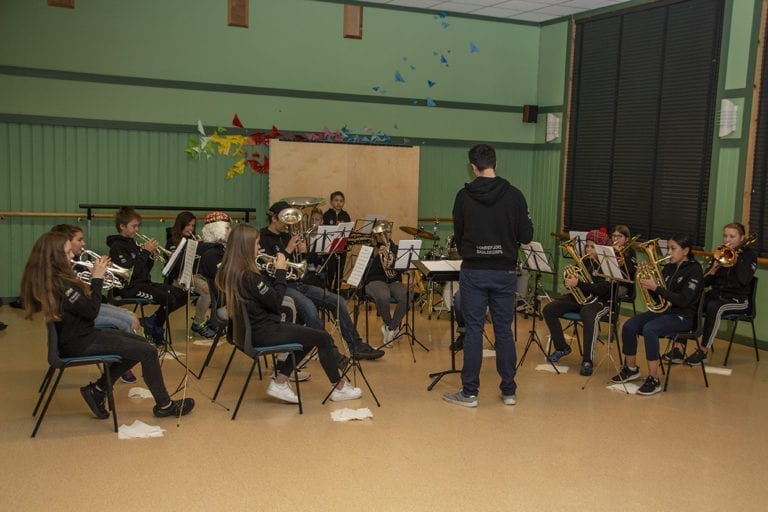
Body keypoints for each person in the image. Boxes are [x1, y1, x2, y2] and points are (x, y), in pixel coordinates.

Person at [20, 232, 194, 419]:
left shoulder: (58, 278)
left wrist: (92, 278)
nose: (73, 256)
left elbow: (84, 307)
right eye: (68, 252)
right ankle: (165, 405)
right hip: (79, 342)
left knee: (140, 345)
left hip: (80, 335)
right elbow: (92, 311)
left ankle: (98, 390)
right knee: (148, 351)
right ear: (55, 256)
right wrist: (97, 279)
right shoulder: (61, 284)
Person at [215, 224, 362, 403]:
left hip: (248, 332)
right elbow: (276, 303)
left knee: (310, 335)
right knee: (322, 337)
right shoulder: (250, 277)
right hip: (263, 332)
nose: (259, 248)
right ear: (245, 247)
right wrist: (280, 272)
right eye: (256, 244)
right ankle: (338, 388)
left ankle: (280, 382)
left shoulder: (230, 272)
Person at [443, 143, 534, 408]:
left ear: (473, 167)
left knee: (473, 331)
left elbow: (458, 236)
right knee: (503, 331)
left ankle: (470, 393)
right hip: (505, 272)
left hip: (474, 271)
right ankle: (509, 391)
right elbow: (526, 237)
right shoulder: (515, 195)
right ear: (496, 163)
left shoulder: (463, 196)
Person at [261, 201, 384, 360]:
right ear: (274, 219)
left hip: (298, 283)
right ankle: (330, 352)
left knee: (337, 300)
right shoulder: (263, 237)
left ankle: (356, 346)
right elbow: (269, 268)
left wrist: (305, 252)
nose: (289, 223)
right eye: (286, 219)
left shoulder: (287, 236)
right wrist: (289, 249)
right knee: (309, 307)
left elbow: (307, 261)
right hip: (281, 287)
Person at [611, 233, 703, 396]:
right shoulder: (668, 267)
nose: (668, 252)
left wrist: (657, 288)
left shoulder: (694, 270)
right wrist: (648, 285)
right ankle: (631, 369)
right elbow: (659, 297)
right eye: (668, 248)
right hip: (664, 311)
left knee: (650, 329)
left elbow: (683, 300)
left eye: (673, 249)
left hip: (684, 316)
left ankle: (653, 379)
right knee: (629, 326)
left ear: (686, 251)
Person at [51, 223, 142, 383]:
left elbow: (87, 295)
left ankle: (125, 361)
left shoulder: (74, 262)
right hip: (82, 316)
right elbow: (85, 302)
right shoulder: (62, 269)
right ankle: (121, 366)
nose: (84, 244)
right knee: (130, 321)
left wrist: (100, 276)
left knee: (132, 316)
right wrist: (97, 279)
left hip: (86, 308)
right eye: (80, 240)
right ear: (66, 242)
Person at [543, 228, 627, 376]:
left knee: (587, 314)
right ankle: (562, 347)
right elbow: (573, 278)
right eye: (587, 246)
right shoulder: (585, 261)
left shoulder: (607, 264)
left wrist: (578, 284)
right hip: (581, 297)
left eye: (592, 246)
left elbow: (603, 289)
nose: (588, 249)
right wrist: (569, 280)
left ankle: (587, 360)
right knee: (549, 309)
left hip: (602, 302)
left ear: (601, 249)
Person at [106, 207, 188, 345]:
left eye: (138, 226)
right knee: (167, 298)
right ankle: (155, 326)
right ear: (122, 226)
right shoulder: (117, 247)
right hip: (130, 287)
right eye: (134, 226)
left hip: (145, 284)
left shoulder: (133, 244)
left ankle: (152, 322)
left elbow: (145, 270)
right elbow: (131, 274)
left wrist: (150, 255)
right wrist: (144, 252)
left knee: (182, 294)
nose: (137, 229)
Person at [679, 222, 757, 365]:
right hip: (717, 295)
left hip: (738, 300)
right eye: (725, 235)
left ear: (742, 238)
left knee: (714, 307)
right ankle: (679, 347)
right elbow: (704, 283)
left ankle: (702, 351)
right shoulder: (721, 253)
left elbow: (745, 280)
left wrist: (736, 259)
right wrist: (712, 271)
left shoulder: (749, 256)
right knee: (688, 301)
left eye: (732, 236)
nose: (728, 239)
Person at [165, 211, 216, 338]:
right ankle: (198, 323)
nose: (191, 229)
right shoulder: (172, 241)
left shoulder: (192, 240)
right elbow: (175, 264)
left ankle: (212, 322)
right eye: (188, 225)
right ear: (180, 225)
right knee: (207, 290)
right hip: (179, 276)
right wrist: (192, 248)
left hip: (195, 275)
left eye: (193, 225)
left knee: (217, 285)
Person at [364, 222, 408, 347]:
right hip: (375, 280)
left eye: (388, 232)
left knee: (407, 295)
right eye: (383, 232)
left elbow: (403, 269)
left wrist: (394, 263)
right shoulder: (371, 248)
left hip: (393, 281)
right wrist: (376, 255)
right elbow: (365, 270)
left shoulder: (396, 249)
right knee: (383, 296)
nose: (386, 234)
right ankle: (390, 325)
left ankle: (391, 328)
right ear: (376, 235)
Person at [323, 191, 351, 291]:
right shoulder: (327, 214)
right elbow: (325, 229)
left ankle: (337, 290)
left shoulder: (346, 215)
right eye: (336, 200)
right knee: (330, 270)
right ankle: (328, 289)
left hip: (342, 248)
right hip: (330, 248)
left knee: (340, 271)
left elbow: (349, 231)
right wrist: (336, 226)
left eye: (341, 201)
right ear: (331, 202)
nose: (338, 203)